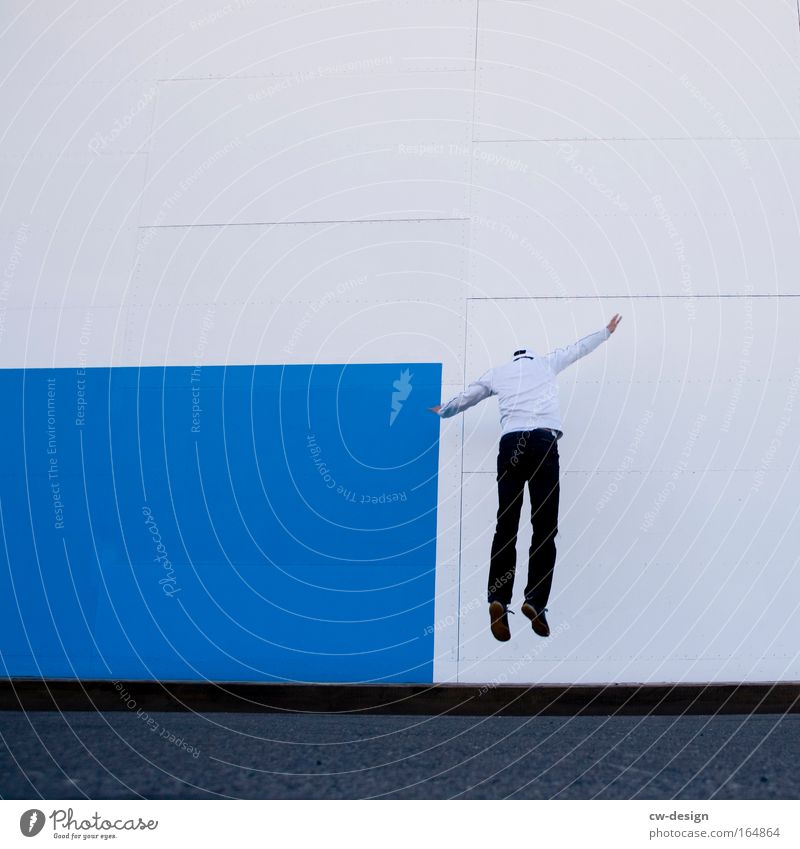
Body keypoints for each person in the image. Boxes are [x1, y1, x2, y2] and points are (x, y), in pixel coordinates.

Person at [429, 314, 622, 641]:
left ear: (514, 359)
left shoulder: (498, 373)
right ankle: (535, 601)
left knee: (506, 525)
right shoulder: (546, 364)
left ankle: (498, 600)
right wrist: (605, 332)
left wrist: (444, 409)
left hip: (511, 446)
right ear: (532, 356)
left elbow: (470, 396)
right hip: (544, 444)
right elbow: (578, 349)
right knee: (544, 526)